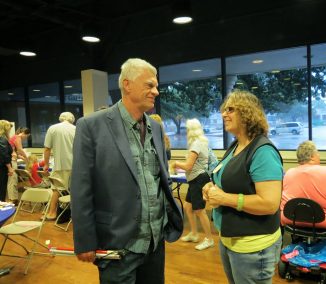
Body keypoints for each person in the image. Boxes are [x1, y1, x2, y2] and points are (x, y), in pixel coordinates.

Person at [70, 58, 183, 283]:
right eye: (150, 85)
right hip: (117, 243)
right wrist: (85, 240)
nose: (156, 92)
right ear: (127, 84)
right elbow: (81, 187)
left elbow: (160, 179)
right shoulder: (91, 126)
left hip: (154, 242)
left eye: (156, 86)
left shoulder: (157, 128)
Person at [202, 90, 283, 284]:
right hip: (230, 239)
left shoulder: (262, 151)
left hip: (253, 247)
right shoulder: (236, 146)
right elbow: (229, 180)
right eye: (223, 110)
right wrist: (211, 188)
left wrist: (223, 198)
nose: (223, 114)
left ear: (247, 113)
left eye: (230, 109)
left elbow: (269, 203)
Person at [171, 118, 214, 251]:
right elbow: (192, 165)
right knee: (188, 207)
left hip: (198, 179)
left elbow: (189, 165)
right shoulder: (201, 143)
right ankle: (194, 234)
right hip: (195, 178)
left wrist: (176, 164)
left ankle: (209, 239)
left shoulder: (196, 144)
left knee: (199, 210)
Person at [43, 111, 76, 220]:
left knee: (56, 189)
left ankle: (52, 213)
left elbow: (47, 148)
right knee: (71, 190)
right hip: (75, 164)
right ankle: (71, 213)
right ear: (72, 119)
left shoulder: (53, 128)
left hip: (60, 164)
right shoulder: (76, 129)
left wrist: (46, 164)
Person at [7, 127, 30, 203]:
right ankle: (13, 199)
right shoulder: (18, 137)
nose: (25, 138)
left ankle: (13, 198)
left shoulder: (14, 137)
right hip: (11, 160)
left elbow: (15, 151)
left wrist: (22, 158)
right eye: (26, 136)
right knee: (13, 179)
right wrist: (26, 158)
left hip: (11, 159)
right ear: (24, 133)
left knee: (12, 180)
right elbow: (20, 150)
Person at [0, 120, 14, 201]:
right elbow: (4, 154)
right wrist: (9, 167)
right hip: (2, 167)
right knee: (2, 189)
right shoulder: (2, 139)